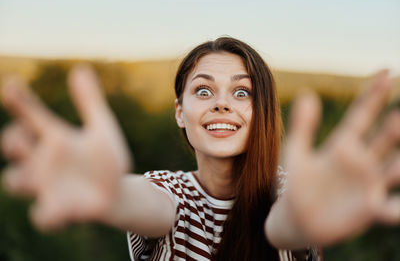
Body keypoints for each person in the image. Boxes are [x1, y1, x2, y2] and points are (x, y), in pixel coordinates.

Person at [0, 37, 399, 261]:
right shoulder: (167, 193)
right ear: (180, 112)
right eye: (203, 90)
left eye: (242, 92)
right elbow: (144, 204)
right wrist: (111, 193)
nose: (221, 104)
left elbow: (284, 224)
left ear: (262, 111)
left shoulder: (293, 192)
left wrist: (305, 214)